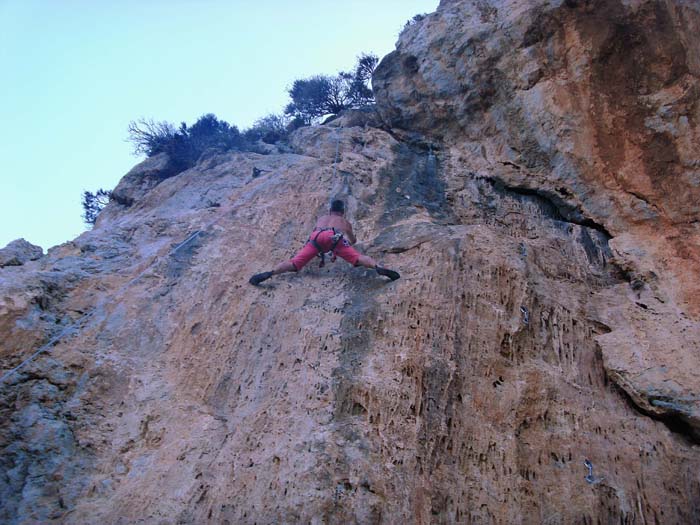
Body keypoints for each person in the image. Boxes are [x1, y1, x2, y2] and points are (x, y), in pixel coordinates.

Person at [249, 199, 400, 285]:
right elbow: (353, 240)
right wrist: (344, 246)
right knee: (358, 258)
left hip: (315, 238)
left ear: (330, 210)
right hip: (334, 238)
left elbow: (318, 237)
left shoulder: (322, 219)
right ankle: (378, 267)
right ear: (343, 211)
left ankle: (270, 273)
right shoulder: (344, 221)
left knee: (294, 263)